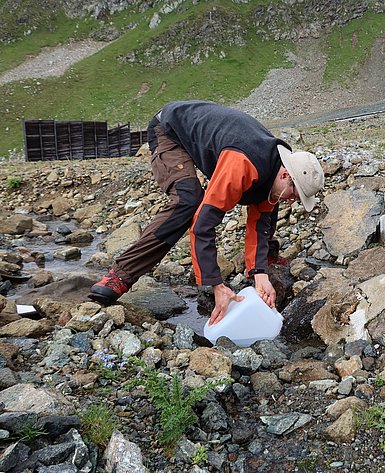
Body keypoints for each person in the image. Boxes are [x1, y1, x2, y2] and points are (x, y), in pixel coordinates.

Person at [88, 100, 325, 326]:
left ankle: (264, 260)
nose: (294, 201)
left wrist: (260, 273)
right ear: (286, 176)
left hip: (214, 136)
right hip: (170, 129)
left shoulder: (282, 167)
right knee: (188, 201)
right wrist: (216, 285)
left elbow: (260, 221)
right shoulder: (243, 163)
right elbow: (203, 225)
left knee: (269, 204)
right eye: (296, 195)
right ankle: (120, 276)